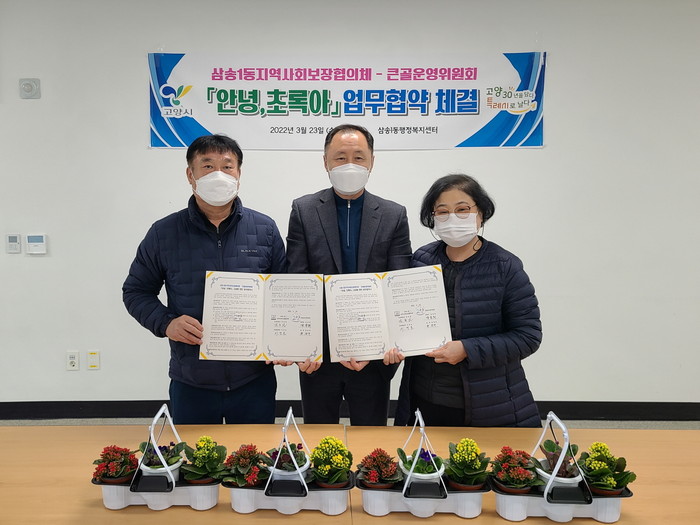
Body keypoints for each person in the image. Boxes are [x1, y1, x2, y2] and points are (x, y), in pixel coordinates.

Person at [122, 134, 286, 424]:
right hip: (191, 380)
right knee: (194, 454)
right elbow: (135, 291)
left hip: (253, 379)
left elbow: (283, 294)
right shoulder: (164, 233)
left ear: (239, 174)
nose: (218, 174)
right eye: (208, 166)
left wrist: (285, 341)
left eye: (227, 166)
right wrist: (167, 323)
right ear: (191, 174)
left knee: (254, 452)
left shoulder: (265, 230)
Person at [387, 174, 542, 427]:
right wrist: (393, 343)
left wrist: (467, 349)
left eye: (462, 209)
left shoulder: (505, 266)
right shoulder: (420, 260)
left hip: (490, 404)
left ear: (480, 213)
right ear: (432, 218)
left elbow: (528, 336)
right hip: (425, 398)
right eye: (442, 211)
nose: (452, 218)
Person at [286, 124, 412, 425]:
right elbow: (297, 280)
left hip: (373, 355)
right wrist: (306, 346)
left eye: (358, 157)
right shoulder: (304, 210)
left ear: (371, 162)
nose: (350, 165)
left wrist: (379, 346)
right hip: (318, 356)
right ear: (326, 162)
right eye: (340, 157)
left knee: (371, 441)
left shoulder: (393, 214)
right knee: (319, 438)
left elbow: (398, 284)